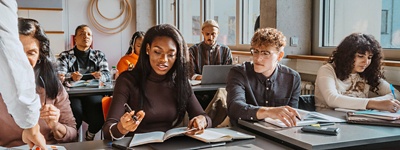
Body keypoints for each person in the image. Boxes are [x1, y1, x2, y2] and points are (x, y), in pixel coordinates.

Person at [102, 24, 212, 140]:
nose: (163, 60)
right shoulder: (127, 81)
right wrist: (121, 128)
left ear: (177, 56)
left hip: (168, 145)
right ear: (148, 49)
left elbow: (205, 117)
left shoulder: (180, 82)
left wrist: (202, 120)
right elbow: (107, 130)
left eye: (170, 55)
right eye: (157, 52)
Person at [0, 18, 78, 147]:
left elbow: (72, 134)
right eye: (16, 53)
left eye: (31, 53)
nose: (23, 61)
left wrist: (55, 126)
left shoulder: (52, 85)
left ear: (40, 55)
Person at [226, 28, 301, 127]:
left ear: (280, 56)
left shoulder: (292, 78)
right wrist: (268, 111)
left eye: (265, 53)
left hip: (278, 134)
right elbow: (234, 108)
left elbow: (291, 116)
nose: (258, 58)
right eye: (256, 51)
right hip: (243, 133)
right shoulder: (239, 72)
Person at [0, 0, 46, 149]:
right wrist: (31, 125)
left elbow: (70, 129)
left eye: (31, 52)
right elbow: (8, 54)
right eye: (21, 53)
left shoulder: (51, 82)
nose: (24, 60)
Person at [315, 33, 400, 112]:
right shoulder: (327, 70)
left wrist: (382, 103)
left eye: (369, 57)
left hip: (356, 120)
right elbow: (332, 99)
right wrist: (375, 104)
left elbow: (395, 93)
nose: (366, 62)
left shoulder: (367, 73)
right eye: (361, 56)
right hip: (328, 121)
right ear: (346, 56)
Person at [57, 25, 110, 140]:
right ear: (75, 38)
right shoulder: (65, 56)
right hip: (72, 93)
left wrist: (101, 76)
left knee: (99, 116)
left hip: (93, 92)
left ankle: (90, 135)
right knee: (75, 113)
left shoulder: (98, 55)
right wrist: (70, 76)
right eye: (81, 34)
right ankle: (73, 140)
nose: (85, 36)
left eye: (88, 34)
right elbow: (59, 76)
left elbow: (107, 75)